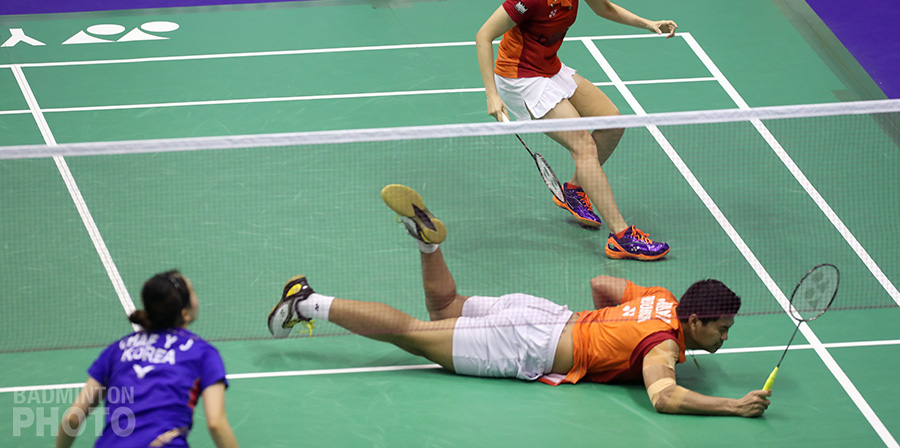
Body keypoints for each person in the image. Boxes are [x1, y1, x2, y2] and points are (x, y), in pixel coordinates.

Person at [268, 185, 771, 417]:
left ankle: (429, 245)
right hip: (527, 343)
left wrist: (605, 333)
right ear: (695, 321)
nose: (726, 336)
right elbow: (664, 398)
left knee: (446, 307)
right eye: (722, 328)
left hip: (544, 314)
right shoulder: (662, 346)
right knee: (415, 335)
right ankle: (307, 302)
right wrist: (732, 405)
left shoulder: (661, 298)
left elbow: (602, 283)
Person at [475, 0, 678, 261]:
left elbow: (605, 8)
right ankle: (621, 236)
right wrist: (492, 94)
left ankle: (574, 189)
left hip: (549, 67)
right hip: (521, 78)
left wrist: (648, 23)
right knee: (583, 145)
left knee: (612, 122)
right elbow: (484, 36)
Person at [56, 271, 239, 448]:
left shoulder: (117, 350)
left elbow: (72, 418)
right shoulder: (203, 353)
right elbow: (216, 424)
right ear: (185, 313)